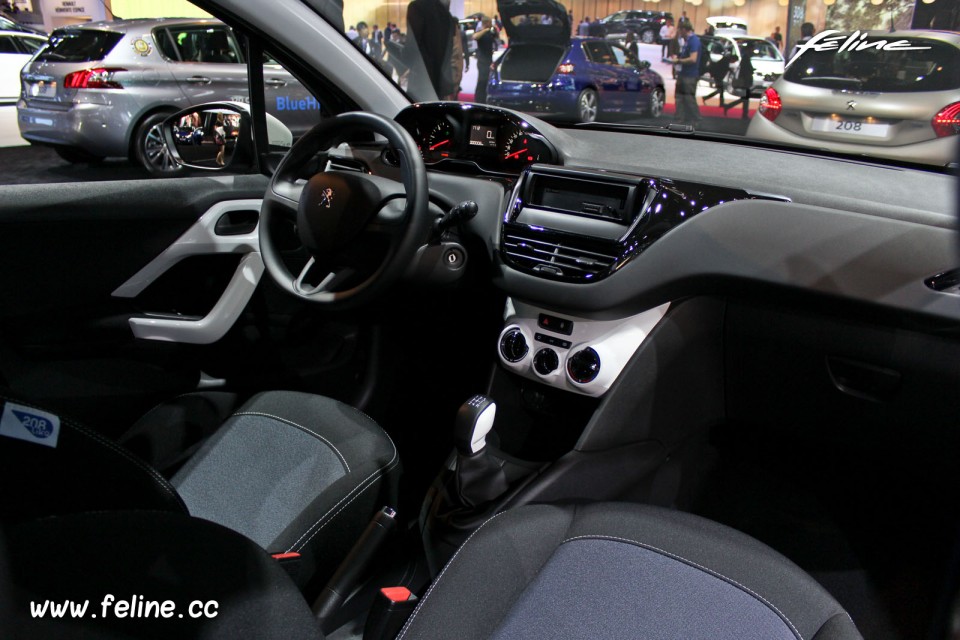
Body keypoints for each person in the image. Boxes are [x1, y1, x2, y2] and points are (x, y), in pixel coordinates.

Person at [405, 0, 457, 99]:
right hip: (440, 82)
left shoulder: (417, 8)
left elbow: (412, 46)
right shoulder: (446, 14)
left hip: (421, 79)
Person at [669, 21, 701, 126]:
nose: (678, 32)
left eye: (679, 29)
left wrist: (679, 61)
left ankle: (695, 119)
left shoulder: (694, 41)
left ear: (683, 29)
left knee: (688, 98)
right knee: (679, 97)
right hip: (683, 74)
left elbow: (693, 59)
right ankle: (680, 118)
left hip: (690, 75)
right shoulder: (687, 41)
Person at [723, 41, 754, 118]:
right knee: (745, 98)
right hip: (745, 80)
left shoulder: (746, 57)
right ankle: (743, 113)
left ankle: (740, 111)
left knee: (744, 98)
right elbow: (745, 69)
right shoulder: (746, 57)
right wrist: (751, 70)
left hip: (745, 79)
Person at [472, 16, 496, 103]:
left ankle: (483, 99)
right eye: (490, 22)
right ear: (486, 23)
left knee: (485, 81)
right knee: (481, 81)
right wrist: (485, 30)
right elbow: (474, 37)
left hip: (488, 60)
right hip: (482, 61)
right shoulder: (481, 33)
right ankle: (478, 100)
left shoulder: (490, 33)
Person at [701, 41, 732, 107]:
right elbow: (722, 67)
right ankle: (707, 98)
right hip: (718, 75)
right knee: (720, 90)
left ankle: (719, 102)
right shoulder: (724, 59)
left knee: (720, 90)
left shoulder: (723, 59)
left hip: (717, 75)